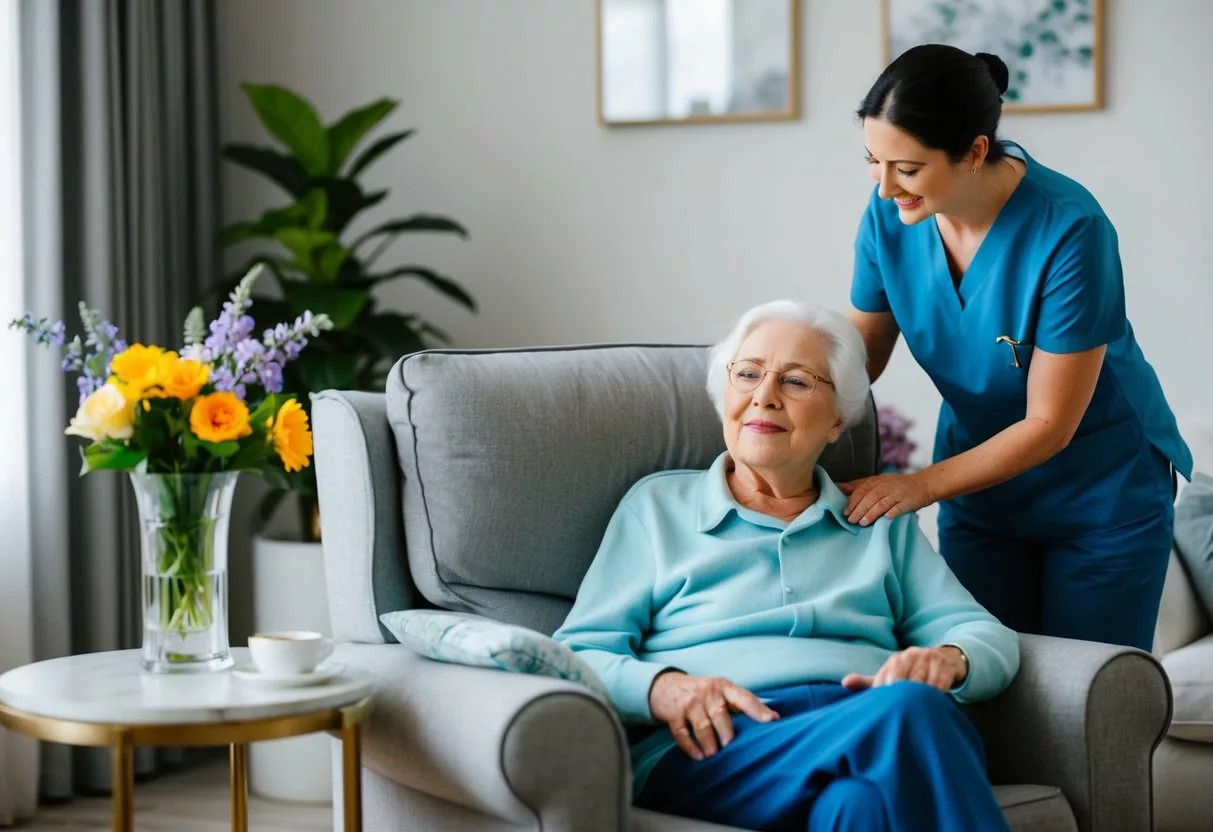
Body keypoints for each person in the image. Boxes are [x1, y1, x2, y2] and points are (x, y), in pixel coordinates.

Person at [553, 301, 1019, 832]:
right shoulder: (659, 508)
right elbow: (578, 651)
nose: (764, 396)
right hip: (719, 744)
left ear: (838, 419)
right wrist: (663, 687)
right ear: (724, 394)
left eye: (796, 382)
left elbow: (986, 634)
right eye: (747, 374)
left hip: (860, 722)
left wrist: (951, 658)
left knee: (855, 808)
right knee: (914, 711)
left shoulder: (878, 521)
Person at [844, 44, 1191, 652]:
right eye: (874, 160)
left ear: (975, 152)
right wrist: (774, 389)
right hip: (979, 488)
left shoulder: (1069, 228)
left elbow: (1050, 424)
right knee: (986, 688)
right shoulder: (890, 218)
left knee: (1086, 702)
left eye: (907, 167)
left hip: (1100, 493)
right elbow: (859, 360)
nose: (884, 185)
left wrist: (916, 486)